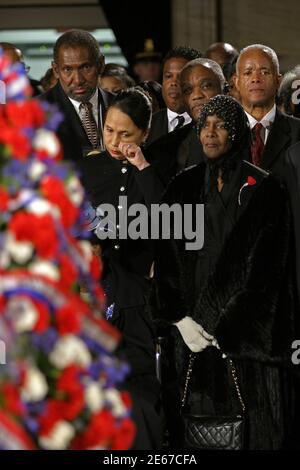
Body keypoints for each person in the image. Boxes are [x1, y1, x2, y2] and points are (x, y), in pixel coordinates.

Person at [151, 95, 297, 449]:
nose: (210, 133)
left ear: (237, 133)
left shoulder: (265, 187)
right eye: (205, 126)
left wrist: (226, 328)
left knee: (254, 433)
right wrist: (181, 320)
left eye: (221, 126)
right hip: (191, 339)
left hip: (245, 344)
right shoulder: (181, 188)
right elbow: (165, 261)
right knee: (196, 432)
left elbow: (270, 272)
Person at [81, 88, 164, 450]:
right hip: (94, 296)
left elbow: (167, 221)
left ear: (144, 134)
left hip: (137, 302)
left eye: (125, 133)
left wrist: (143, 167)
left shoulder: (156, 168)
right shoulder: (89, 167)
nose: (114, 140)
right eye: (109, 130)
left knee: (139, 393)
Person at [146, 58, 226, 184]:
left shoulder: (251, 133)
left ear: (225, 88)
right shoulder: (168, 146)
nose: (196, 95)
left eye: (205, 86)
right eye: (188, 90)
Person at [40, 29, 113, 166]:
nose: (78, 80)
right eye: (68, 69)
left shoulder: (120, 103)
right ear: (56, 70)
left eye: (85, 67)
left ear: (101, 64)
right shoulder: (37, 111)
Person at [234, 44, 300, 180]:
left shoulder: (298, 131)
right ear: (237, 82)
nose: (256, 78)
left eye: (264, 72)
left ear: (278, 81)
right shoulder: (221, 132)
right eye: (248, 73)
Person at [147, 46, 202, 145]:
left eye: (181, 76)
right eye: (168, 76)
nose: (173, 82)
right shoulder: (148, 125)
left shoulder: (206, 125)